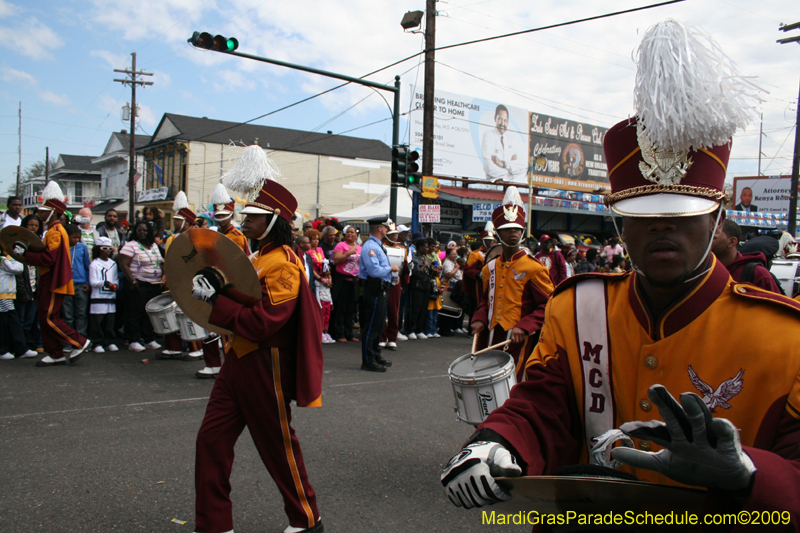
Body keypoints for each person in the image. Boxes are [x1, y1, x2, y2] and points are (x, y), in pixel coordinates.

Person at [442, 19, 800, 523]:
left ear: (717, 215)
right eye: (643, 216)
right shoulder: (579, 306)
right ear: (619, 222)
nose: (661, 231)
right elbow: (545, 403)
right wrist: (496, 441)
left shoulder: (789, 338)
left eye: (681, 215)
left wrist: (748, 473)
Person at [190, 143, 323, 533]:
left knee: (278, 448)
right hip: (237, 362)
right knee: (209, 442)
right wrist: (214, 284)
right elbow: (243, 292)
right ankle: (215, 524)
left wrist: (217, 300)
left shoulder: (284, 263)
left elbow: (265, 320)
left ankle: (307, 518)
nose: (244, 222)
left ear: (272, 222)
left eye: (252, 218)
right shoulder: (258, 256)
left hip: (267, 362)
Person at [471, 187, 554, 375]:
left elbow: (549, 304)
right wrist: (479, 318)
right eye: (507, 230)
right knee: (484, 381)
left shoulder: (535, 268)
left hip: (518, 338)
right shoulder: (489, 268)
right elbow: (486, 301)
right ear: (498, 234)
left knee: (511, 382)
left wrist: (526, 326)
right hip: (490, 336)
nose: (513, 233)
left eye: (517, 229)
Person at [14, 182, 91, 366]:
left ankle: (79, 341)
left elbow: (49, 258)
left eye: (43, 211)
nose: (40, 214)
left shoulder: (56, 231)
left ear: (52, 212)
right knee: (44, 316)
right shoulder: (52, 230)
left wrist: (25, 255)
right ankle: (55, 353)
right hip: (48, 278)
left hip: (53, 278)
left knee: (49, 317)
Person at [161, 191, 203, 360]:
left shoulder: (194, 236)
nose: (175, 222)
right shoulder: (174, 237)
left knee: (188, 314)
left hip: (188, 281)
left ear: (186, 221)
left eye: (178, 219)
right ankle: (174, 347)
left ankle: (196, 347)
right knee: (172, 313)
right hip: (174, 280)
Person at [358, 216, 399, 372]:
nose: (387, 230)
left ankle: (375, 354)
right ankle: (368, 360)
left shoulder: (378, 245)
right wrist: (391, 268)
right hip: (373, 288)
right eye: (386, 227)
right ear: (380, 228)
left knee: (379, 324)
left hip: (381, 288)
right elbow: (374, 271)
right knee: (372, 326)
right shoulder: (370, 247)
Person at [118, 220, 164, 353]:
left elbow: (160, 262)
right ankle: (133, 340)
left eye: (145, 230)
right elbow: (123, 264)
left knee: (149, 313)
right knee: (135, 312)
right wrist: (132, 281)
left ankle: (149, 339)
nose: (142, 232)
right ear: (135, 231)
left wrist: (163, 277)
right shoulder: (130, 245)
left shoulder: (154, 245)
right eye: (139, 230)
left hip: (154, 284)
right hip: (138, 284)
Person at [711, 218, 782, 293]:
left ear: (732, 242)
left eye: (713, 235)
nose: (706, 239)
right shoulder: (704, 270)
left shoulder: (757, 274)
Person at [0, 252, 38, 359]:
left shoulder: (5, 259)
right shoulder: (2, 259)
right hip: (3, 294)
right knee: (7, 323)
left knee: (11, 322)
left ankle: (19, 349)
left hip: (7, 294)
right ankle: (5, 350)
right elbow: (18, 268)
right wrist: (14, 256)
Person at [379, 222, 409, 350]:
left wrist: (403, 283)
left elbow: (405, 268)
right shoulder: (380, 247)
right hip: (382, 280)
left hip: (396, 282)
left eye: (396, 234)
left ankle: (392, 338)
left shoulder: (402, 249)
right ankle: (382, 337)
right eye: (392, 234)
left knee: (393, 310)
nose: (395, 236)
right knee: (381, 310)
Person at [15, 214, 43, 353]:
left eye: (36, 225)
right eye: (30, 225)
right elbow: (17, 269)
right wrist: (23, 291)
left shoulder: (39, 243)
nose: (33, 228)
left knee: (31, 319)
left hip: (34, 287)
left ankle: (30, 344)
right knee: (20, 320)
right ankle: (20, 347)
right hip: (23, 288)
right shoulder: (18, 243)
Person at [88, 236, 118, 353]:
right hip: (98, 297)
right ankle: (97, 342)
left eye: (109, 248)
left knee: (109, 321)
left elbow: (116, 279)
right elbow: (93, 282)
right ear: (98, 249)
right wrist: (106, 283)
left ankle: (109, 341)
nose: (107, 250)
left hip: (110, 297)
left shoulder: (113, 264)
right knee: (97, 322)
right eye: (104, 248)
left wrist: (115, 286)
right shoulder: (94, 264)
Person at [60, 224, 91, 339]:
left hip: (80, 284)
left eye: (78, 237)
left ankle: (81, 339)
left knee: (81, 314)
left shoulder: (82, 247)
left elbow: (87, 266)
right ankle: (69, 339)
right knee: (67, 314)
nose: (76, 240)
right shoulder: (61, 248)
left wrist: (87, 282)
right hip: (66, 284)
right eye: (74, 237)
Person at [481, 104, 526, 182]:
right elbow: (489, 167)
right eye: (500, 119)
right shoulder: (488, 136)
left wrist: (504, 164)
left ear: (508, 122)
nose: (502, 123)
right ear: (495, 118)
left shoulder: (511, 140)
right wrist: (510, 173)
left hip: (509, 186)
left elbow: (521, 167)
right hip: (492, 186)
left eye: (505, 120)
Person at [332, 225, 360, 343]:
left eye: (352, 232)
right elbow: (336, 260)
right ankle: (339, 333)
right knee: (341, 308)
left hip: (355, 281)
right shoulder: (340, 245)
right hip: (342, 280)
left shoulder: (360, 248)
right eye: (348, 232)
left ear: (356, 235)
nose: (350, 234)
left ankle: (349, 333)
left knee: (351, 308)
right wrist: (348, 253)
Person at [305, 229, 333, 344]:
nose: (316, 241)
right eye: (313, 239)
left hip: (324, 280)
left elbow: (326, 265)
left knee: (327, 306)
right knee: (319, 307)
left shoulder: (320, 249)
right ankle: (319, 331)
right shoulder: (307, 252)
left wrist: (329, 277)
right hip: (316, 281)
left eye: (317, 239)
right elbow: (310, 268)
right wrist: (321, 279)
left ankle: (326, 331)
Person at [405, 238, 432, 340]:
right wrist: (424, 266)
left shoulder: (426, 258)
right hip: (417, 286)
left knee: (423, 309)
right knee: (415, 309)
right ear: (420, 248)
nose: (427, 249)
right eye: (425, 247)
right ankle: (411, 329)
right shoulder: (413, 259)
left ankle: (419, 330)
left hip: (426, 286)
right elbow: (415, 273)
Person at [210, 183, 249, 254]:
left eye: (224, 215)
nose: (220, 218)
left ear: (231, 216)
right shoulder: (214, 235)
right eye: (218, 215)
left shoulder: (237, 237)